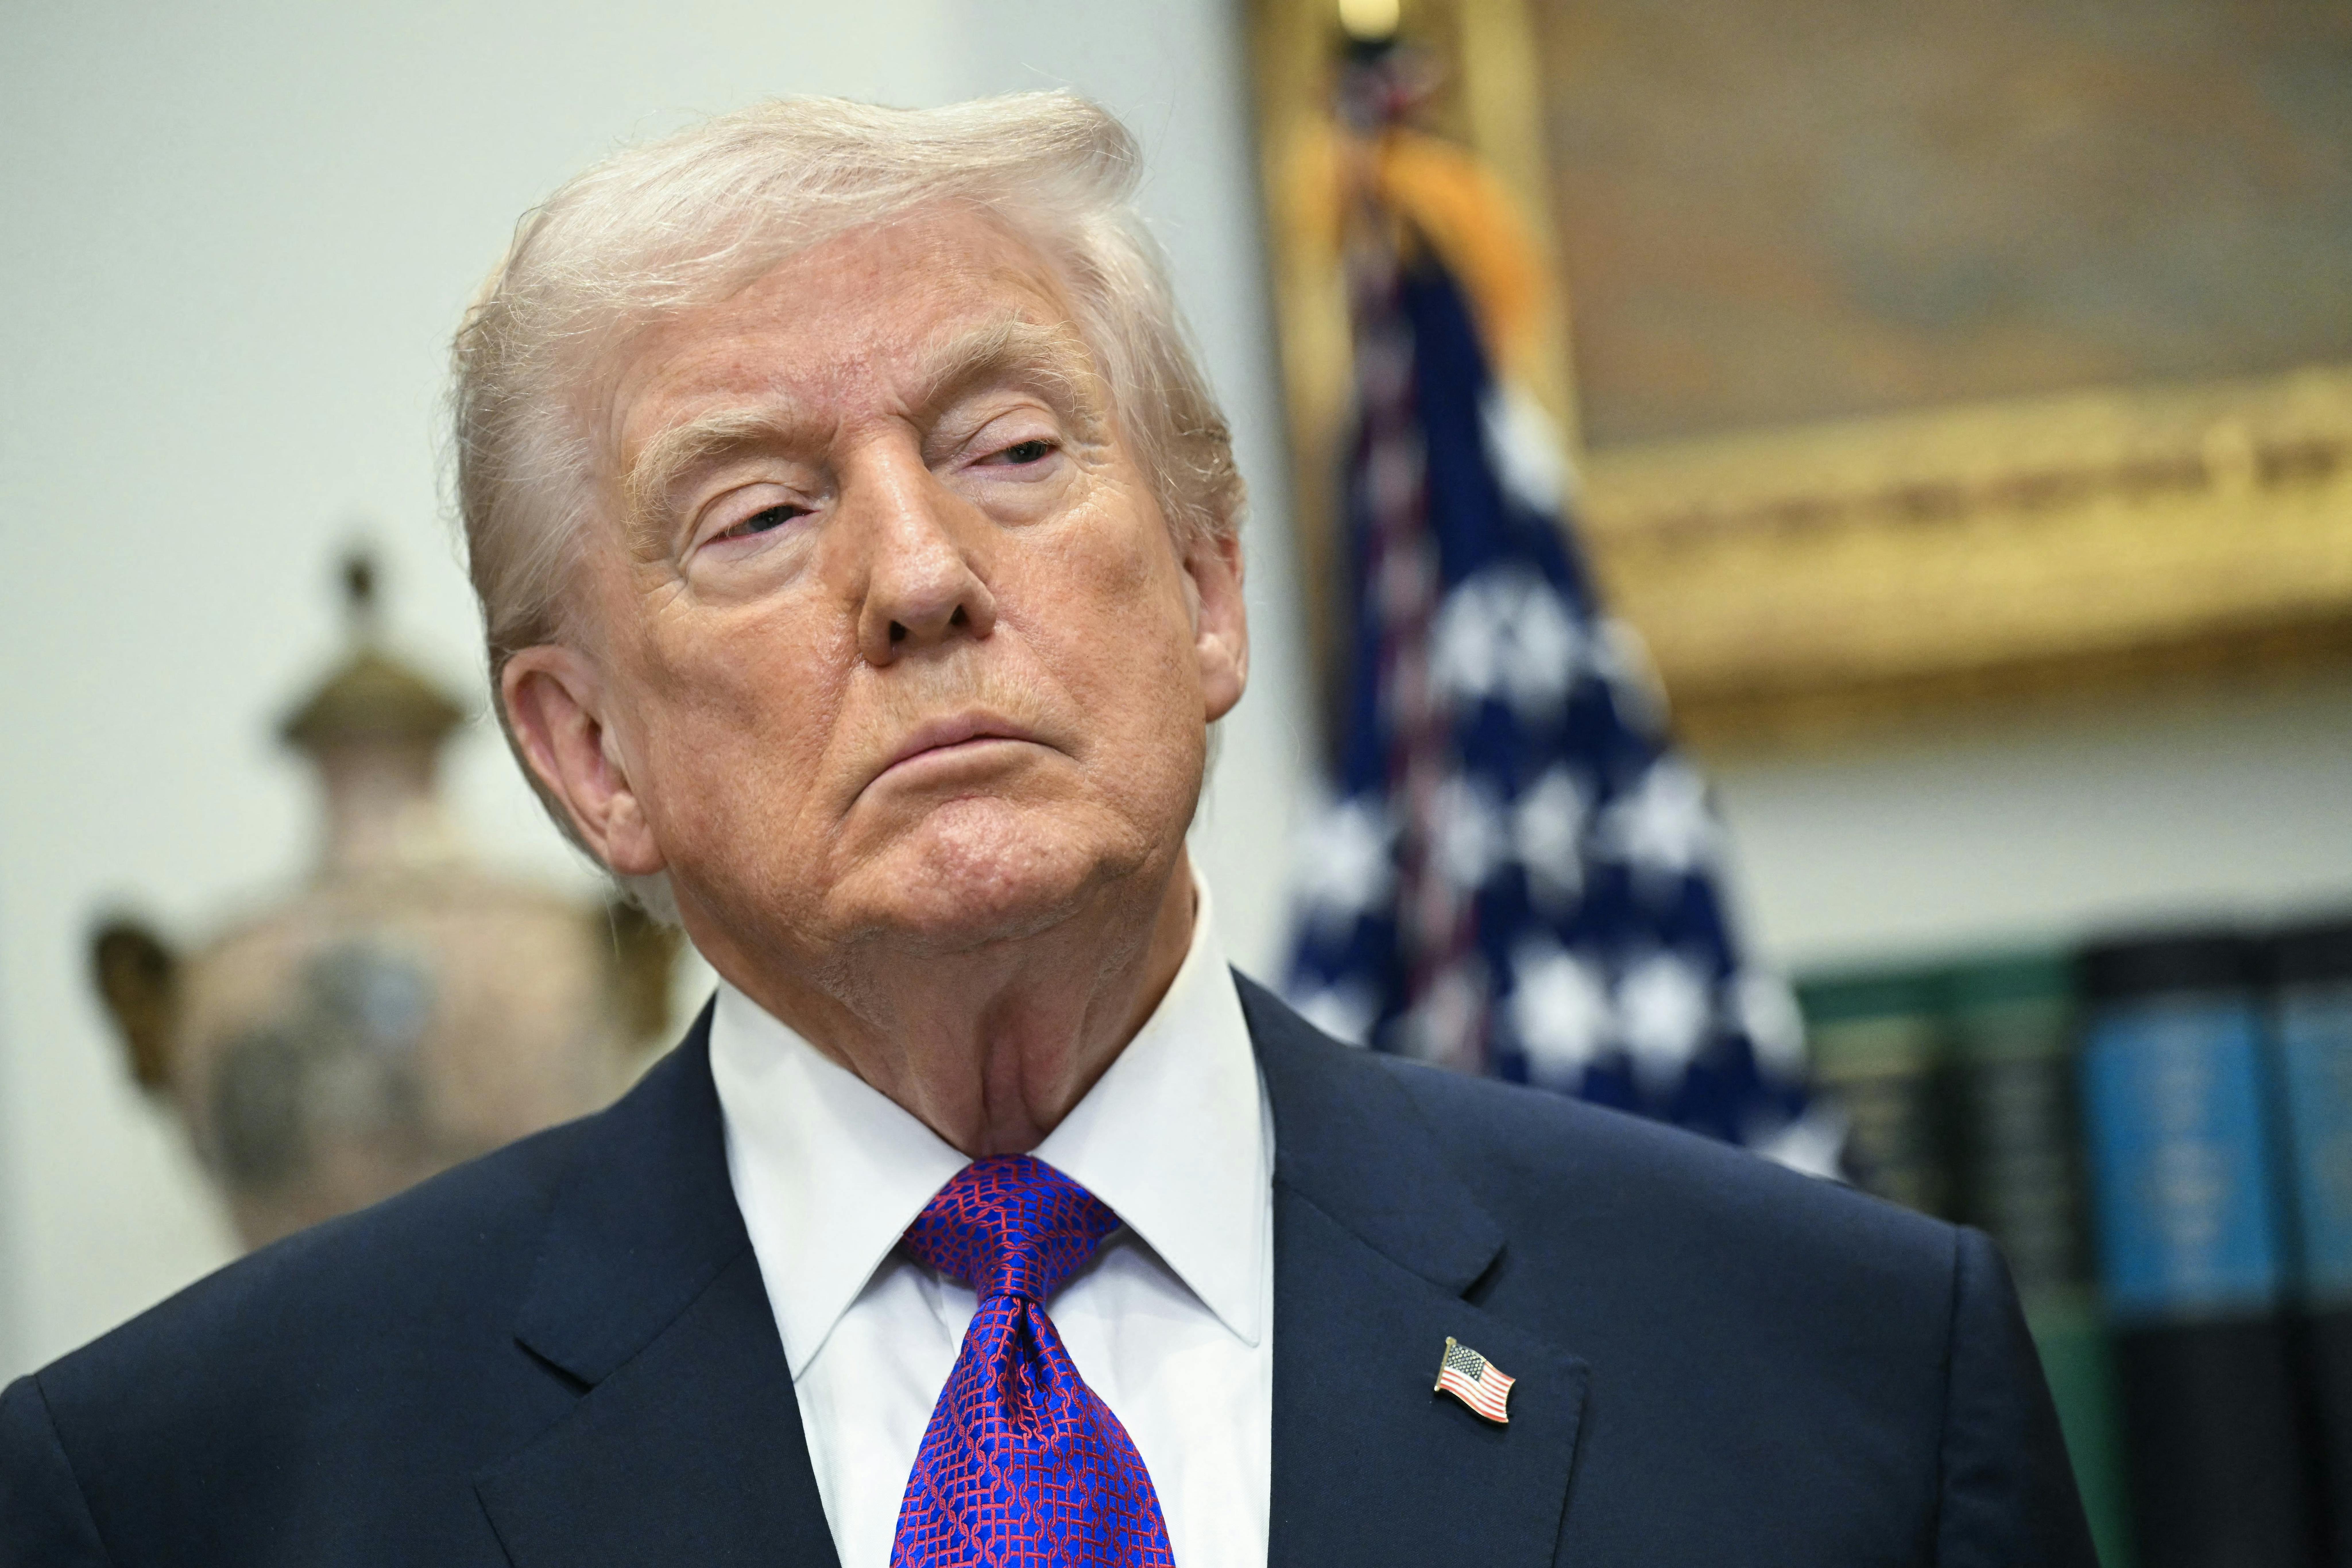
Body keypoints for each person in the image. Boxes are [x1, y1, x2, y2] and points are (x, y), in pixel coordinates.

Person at [0, 94, 2095, 1567]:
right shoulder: (188, 1490)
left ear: (1204, 587)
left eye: (1011, 448)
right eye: (760, 511)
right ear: (584, 751)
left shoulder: (1843, 1377)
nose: (918, 574)